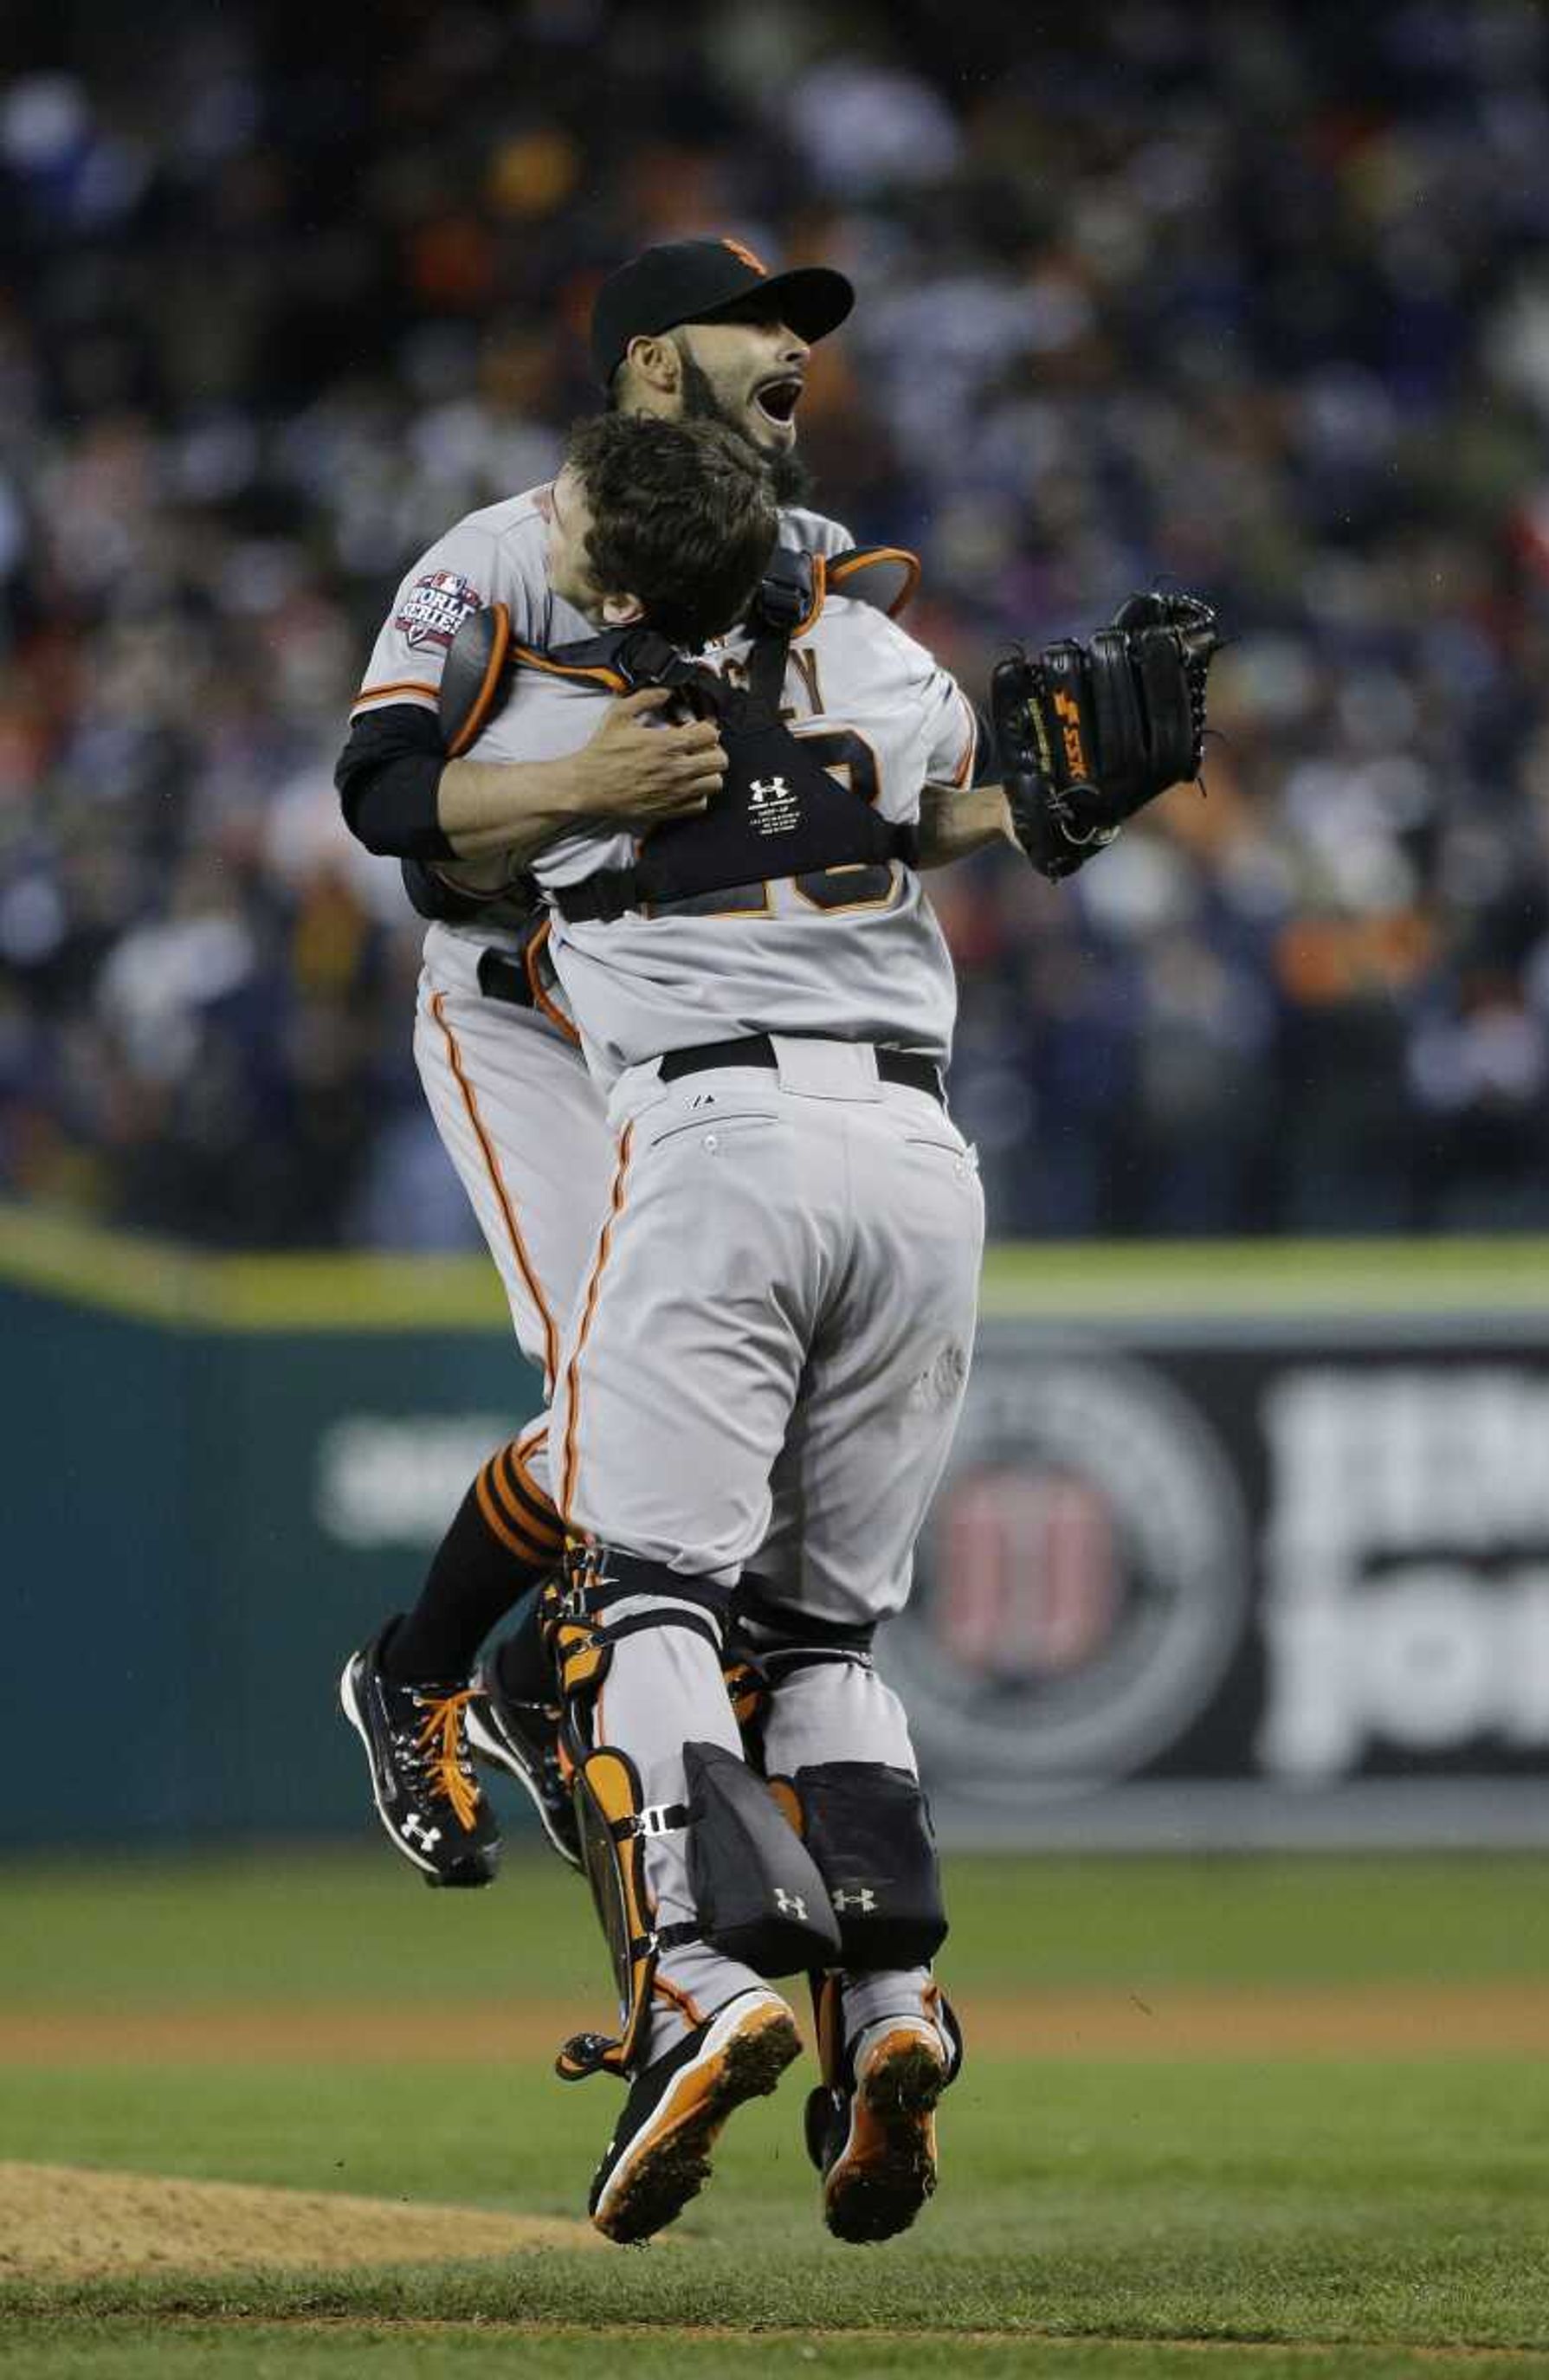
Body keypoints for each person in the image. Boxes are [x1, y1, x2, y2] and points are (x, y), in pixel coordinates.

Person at [334, 239, 1008, 1888]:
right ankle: (423, 1673)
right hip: (527, 1008)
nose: (795, 349)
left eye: (807, 331)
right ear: (650, 363)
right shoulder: (494, 559)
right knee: (612, 1408)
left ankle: (510, 1675)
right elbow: (384, 799)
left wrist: (1042, 806)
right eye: (759, 327)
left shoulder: (808, 557)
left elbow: (864, 821)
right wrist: (576, 785)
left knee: (696, 1442)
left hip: (710, 1040)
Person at [430, 405, 988, 2245]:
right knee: (828, 1632)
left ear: (611, 558)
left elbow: (435, 849)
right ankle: (892, 2015)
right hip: (918, 1149)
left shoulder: (559, 716)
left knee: (645, 1590)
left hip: (719, 1133)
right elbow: (975, 792)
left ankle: (696, 1975)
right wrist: (1067, 797)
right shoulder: (872, 649)